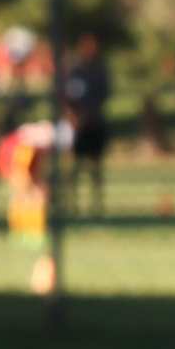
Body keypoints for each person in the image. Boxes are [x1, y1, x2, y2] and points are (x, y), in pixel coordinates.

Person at [65, 33, 110, 217]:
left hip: (95, 124)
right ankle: (73, 205)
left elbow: (103, 96)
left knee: (95, 167)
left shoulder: (100, 72)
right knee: (75, 167)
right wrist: (74, 118)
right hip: (79, 127)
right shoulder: (76, 72)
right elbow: (67, 98)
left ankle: (96, 206)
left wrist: (90, 114)